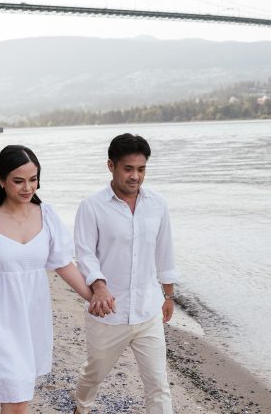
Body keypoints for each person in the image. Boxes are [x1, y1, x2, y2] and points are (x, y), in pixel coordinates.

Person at [0, 145, 93, 414]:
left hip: (31, 320)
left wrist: (94, 296)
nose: (28, 188)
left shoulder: (46, 215)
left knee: (18, 397)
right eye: (18, 181)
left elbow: (63, 264)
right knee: (16, 400)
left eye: (33, 179)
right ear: (1, 180)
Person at [73, 133, 178, 414]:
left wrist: (168, 295)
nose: (135, 176)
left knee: (158, 384)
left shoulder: (157, 204)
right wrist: (99, 285)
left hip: (148, 311)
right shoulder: (91, 207)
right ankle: (80, 408)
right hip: (108, 313)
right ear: (111, 166)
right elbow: (84, 254)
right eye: (128, 169)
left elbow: (164, 251)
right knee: (93, 375)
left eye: (141, 169)